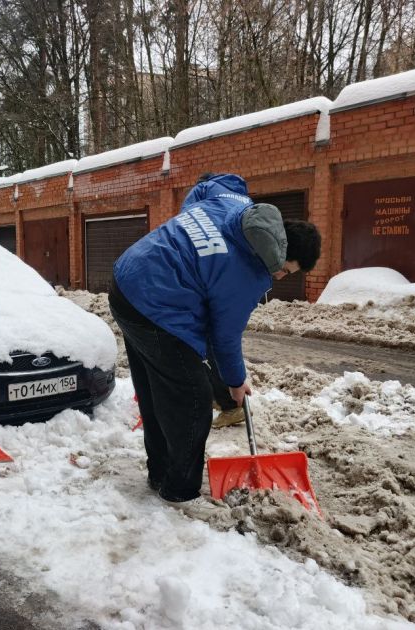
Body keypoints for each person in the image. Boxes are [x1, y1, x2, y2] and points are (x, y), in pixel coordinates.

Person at [109, 173, 321, 516]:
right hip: (155, 306)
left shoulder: (234, 203)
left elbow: (212, 183)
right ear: (276, 252)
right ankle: (179, 491)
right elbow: (224, 338)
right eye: (285, 270)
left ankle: (159, 473)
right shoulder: (249, 274)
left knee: (154, 387)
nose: (281, 278)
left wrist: (189, 231)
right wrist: (236, 385)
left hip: (126, 281)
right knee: (191, 397)